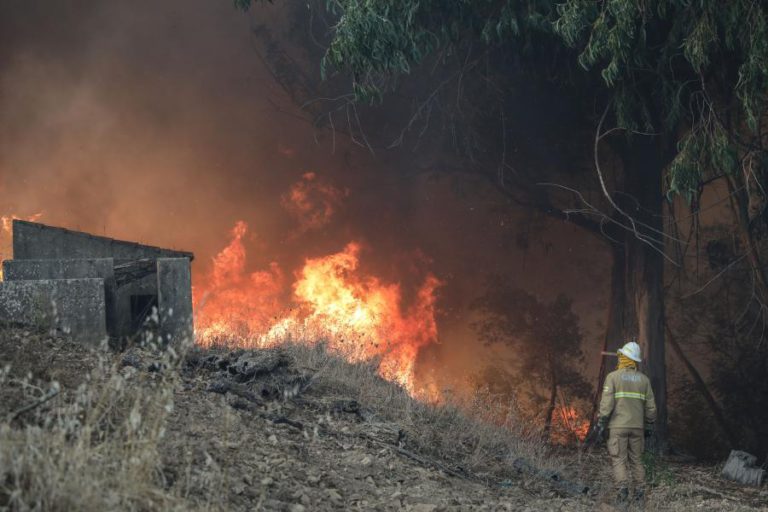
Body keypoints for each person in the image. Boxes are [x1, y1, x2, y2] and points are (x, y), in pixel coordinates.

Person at [597, 341, 657, 504]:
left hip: (618, 427)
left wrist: (602, 422)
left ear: (622, 357)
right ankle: (639, 496)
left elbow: (606, 404)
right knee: (636, 460)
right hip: (638, 428)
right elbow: (651, 407)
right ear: (635, 360)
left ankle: (622, 494)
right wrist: (649, 424)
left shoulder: (613, 377)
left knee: (619, 460)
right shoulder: (644, 380)